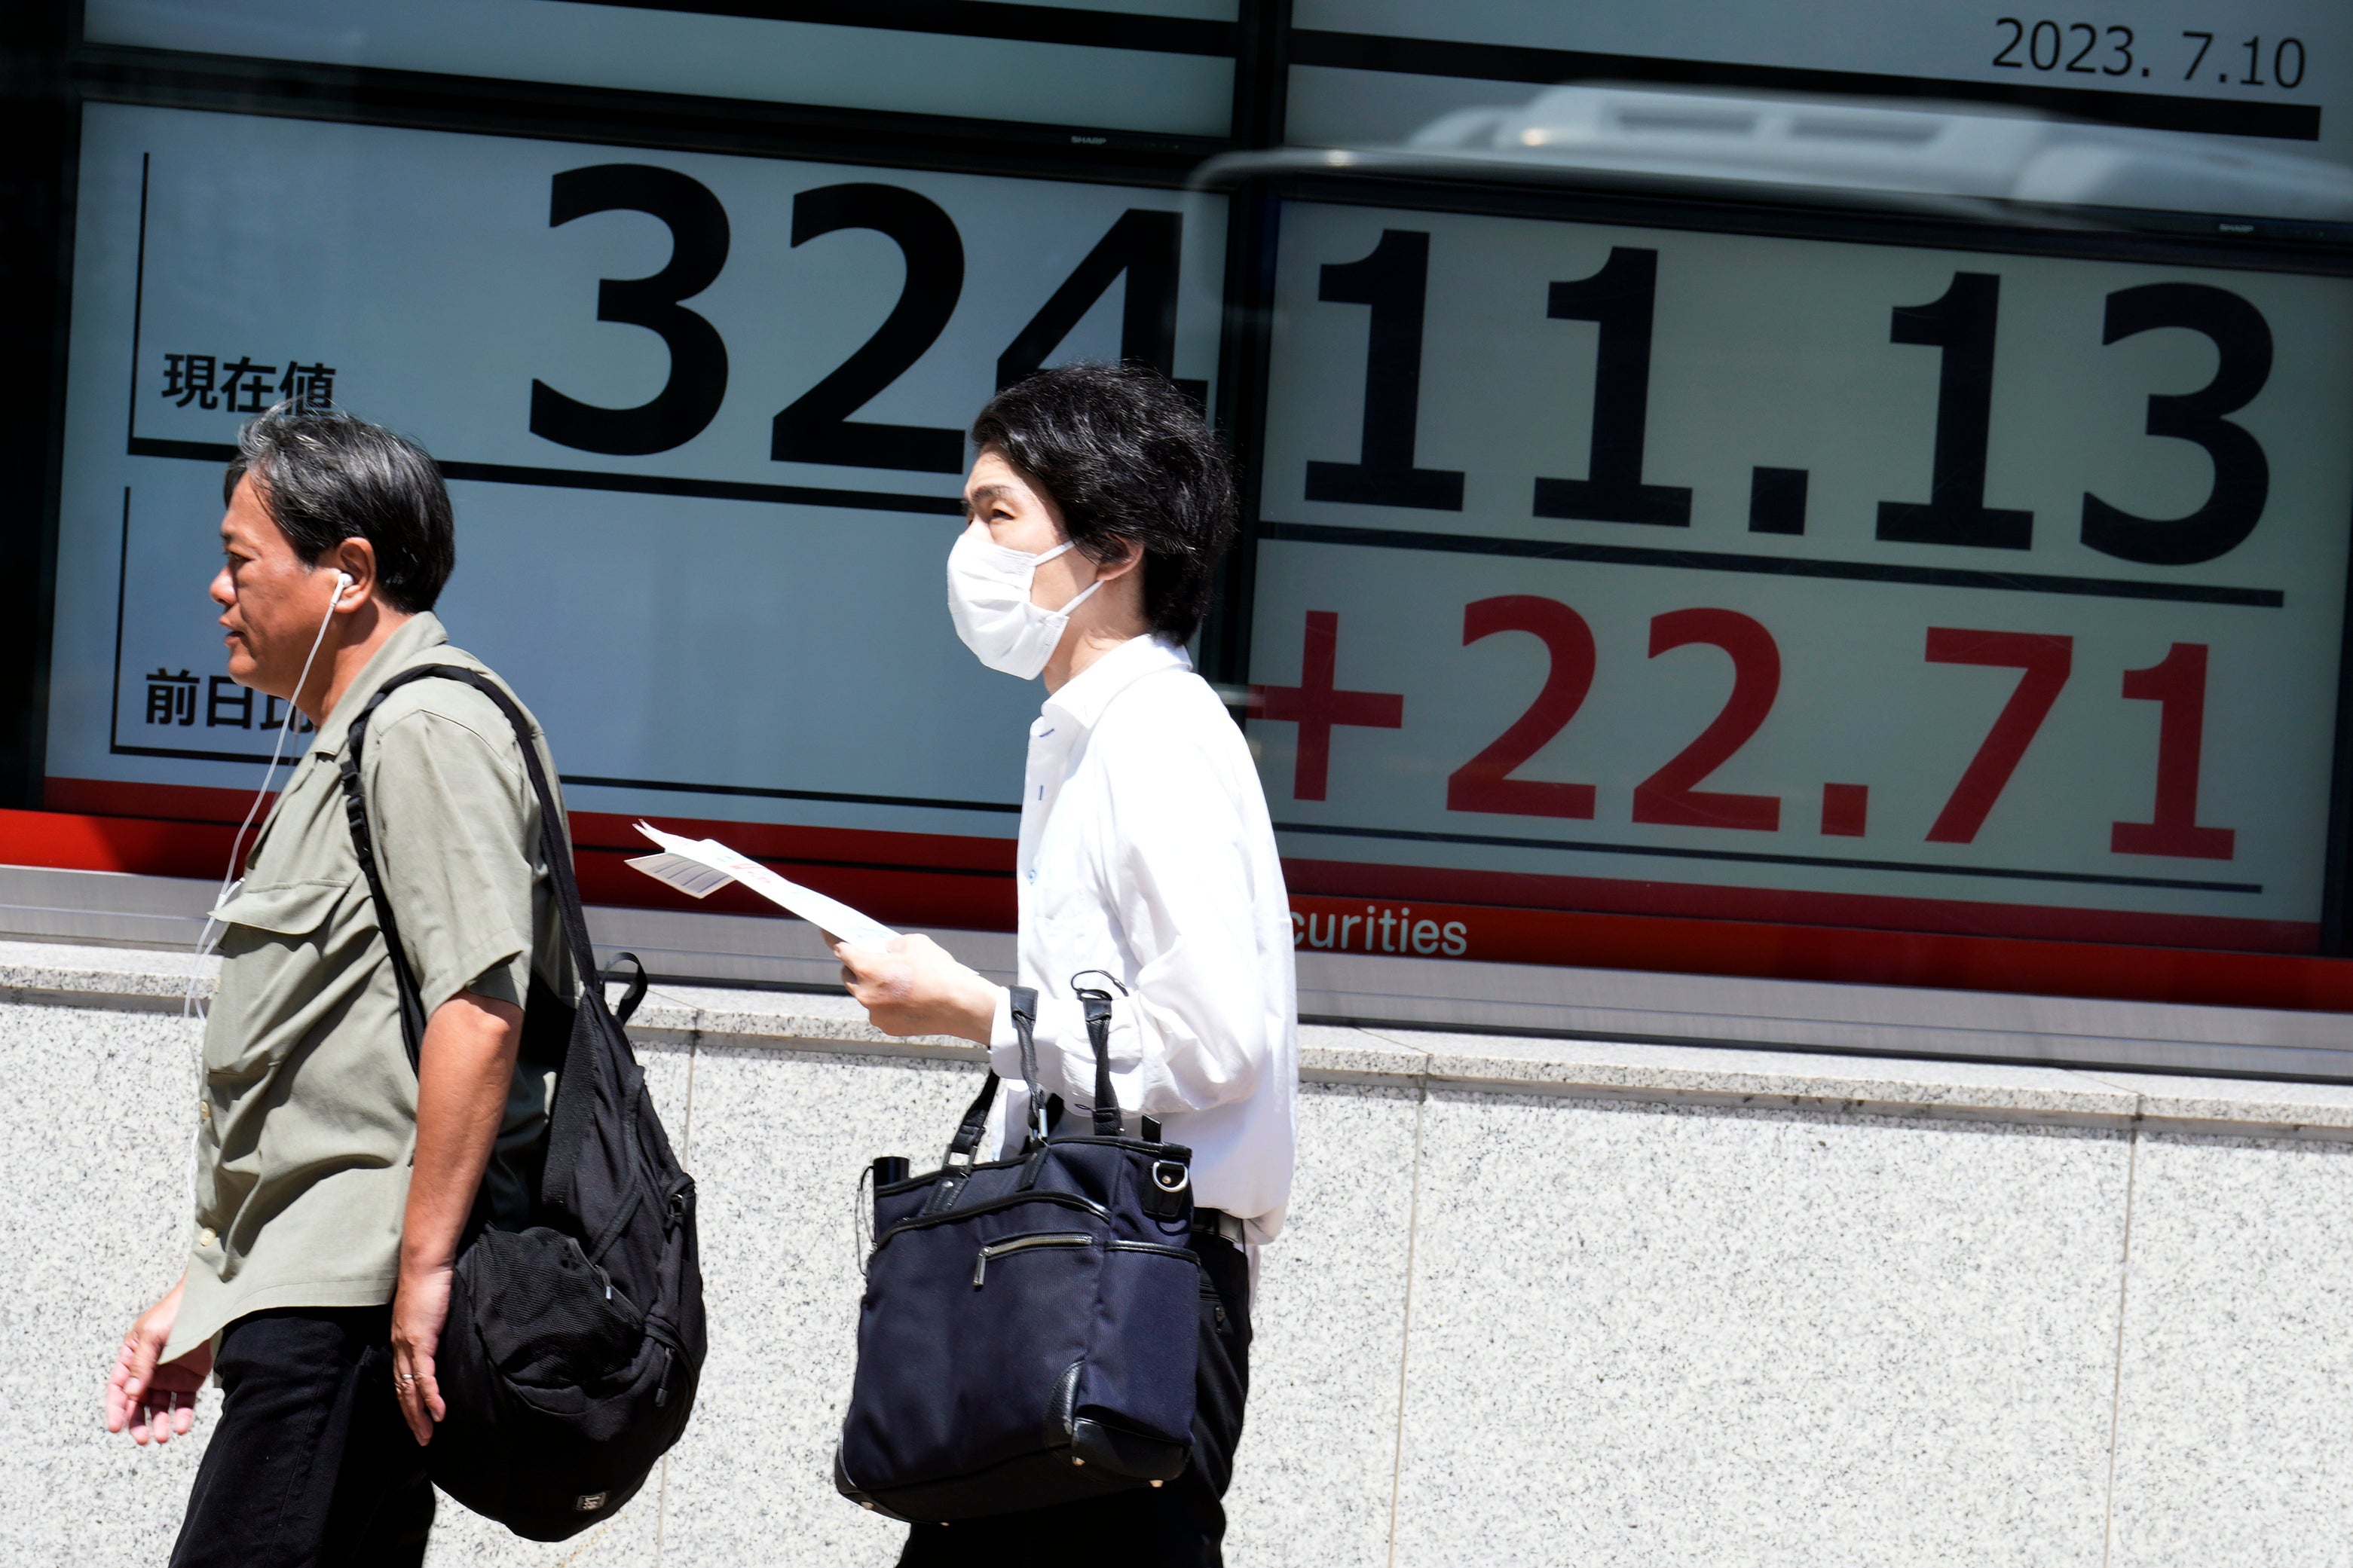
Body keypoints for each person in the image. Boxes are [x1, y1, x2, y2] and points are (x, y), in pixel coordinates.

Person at [834, 362, 1298, 1566]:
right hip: (1076, 1270)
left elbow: (1215, 1040)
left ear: (1111, 551)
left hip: (1130, 1279)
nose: (967, 548)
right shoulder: (1087, 735)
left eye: (996, 515)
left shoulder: (1157, 737)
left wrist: (975, 1011)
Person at [103, 409, 572, 1566]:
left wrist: (419, 1279)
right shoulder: (356, 739)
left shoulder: (425, 727)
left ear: (349, 572)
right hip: (314, 1295)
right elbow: (328, 1069)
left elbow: (480, 1006)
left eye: (241, 557)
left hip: (356, 1309)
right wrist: (209, 1285)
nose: (219, 589)